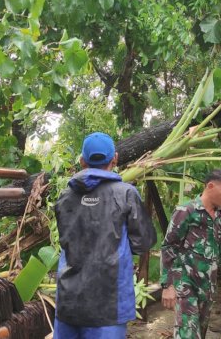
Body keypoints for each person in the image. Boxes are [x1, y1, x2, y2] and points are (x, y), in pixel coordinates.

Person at [54, 132, 157, 339]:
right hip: (109, 303)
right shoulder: (126, 194)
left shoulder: (65, 197)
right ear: (115, 158)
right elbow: (143, 242)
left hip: (69, 300)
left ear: (82, 161)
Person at [160, 169, 221, 339]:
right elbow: (168, 247)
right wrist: (167, 285)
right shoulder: (186, 211)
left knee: (199, 333)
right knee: (188, 335)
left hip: (207, 288)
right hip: (185, 285)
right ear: (210, 186)